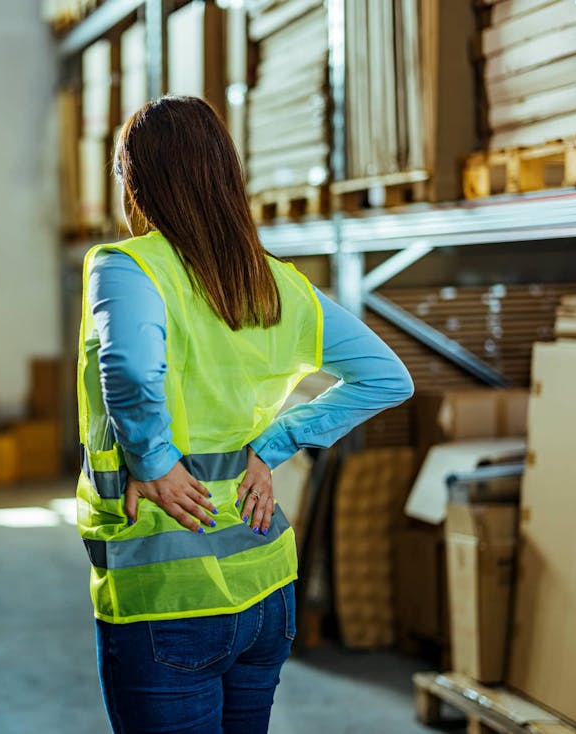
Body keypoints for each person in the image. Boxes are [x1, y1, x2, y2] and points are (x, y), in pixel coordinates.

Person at [76, 96, 414, 734]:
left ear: (135, 181)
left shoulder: (128, 267)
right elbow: (385, 377)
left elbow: (128, 369)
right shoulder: (278, 283)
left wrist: (153, 460)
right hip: (266, 584)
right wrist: (277, 442)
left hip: (169, 597)